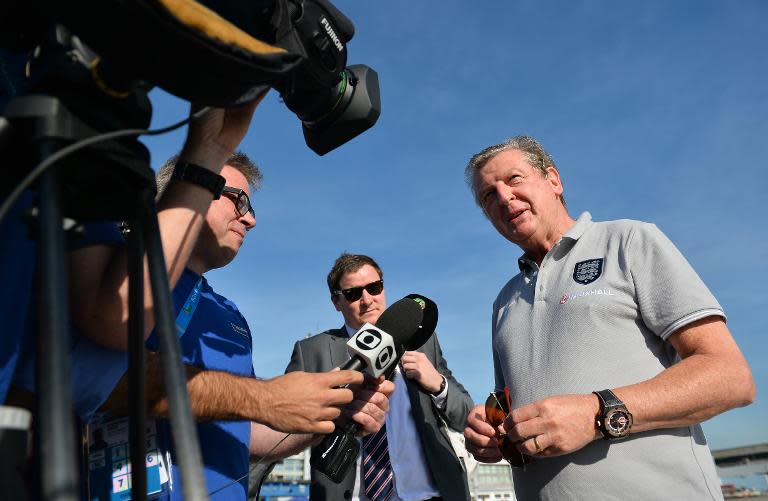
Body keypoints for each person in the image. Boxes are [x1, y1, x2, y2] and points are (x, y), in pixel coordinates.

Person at [461, 136, 756, 500]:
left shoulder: (629, 241)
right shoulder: (504, 301)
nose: (504, 197)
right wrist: (489, 431)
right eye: (488, 195)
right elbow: (509, 403)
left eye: (514, 179)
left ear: (553, 180)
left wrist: (597, 413)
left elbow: (731, 377)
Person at [283, 253, 474, 501]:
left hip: (431, 495)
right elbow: (281, 423)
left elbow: (466, 415)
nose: (367, 300)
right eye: (353, 293)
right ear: (336, 301)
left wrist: (438, 384)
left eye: (374, 288)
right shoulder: (312, 352)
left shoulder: (421, 342)